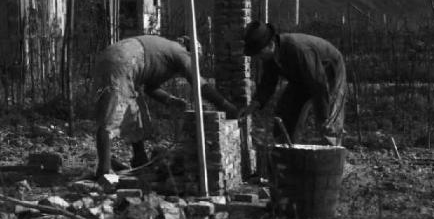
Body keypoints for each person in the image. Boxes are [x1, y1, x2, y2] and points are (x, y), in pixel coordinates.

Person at [93, 35, 238, 177]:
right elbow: (200, 85)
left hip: (117, 57)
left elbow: (151, 88)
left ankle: (140, 160)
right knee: (112, 116)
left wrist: (170, 100)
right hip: (123, 61)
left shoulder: (166, 54)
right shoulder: (181, 53)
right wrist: (226, 106)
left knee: (134, 110)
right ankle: (104, 171)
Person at [239, 20, 347, 146]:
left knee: (328, 120)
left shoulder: (298, 49)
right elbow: (268, 83)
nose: (258, 58)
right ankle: (286, 151)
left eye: (259, 53)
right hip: (302, 77)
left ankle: (330, 155)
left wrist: (323, 116)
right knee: (285, 113)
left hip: (328, 70)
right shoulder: (270, 57)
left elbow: (318, 83)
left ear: (271, 45)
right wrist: (254, 105)